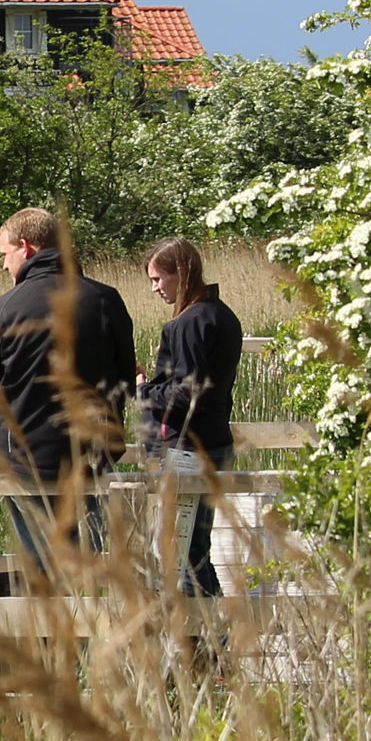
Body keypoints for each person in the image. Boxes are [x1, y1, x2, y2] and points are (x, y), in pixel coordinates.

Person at [0, 207, 138, 590]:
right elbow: (126, 382)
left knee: (41, 578)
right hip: (92, 462)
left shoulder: (3, 309)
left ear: (27, 247)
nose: (3, 265)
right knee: (93, 577)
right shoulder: (104, 300)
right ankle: (95, 647)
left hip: (27, 464)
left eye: (4, 254)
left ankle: (51, 647)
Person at [140, 236, 243, 597]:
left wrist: (144, 389)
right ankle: (211, 640)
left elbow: (185, 393)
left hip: (188, 449)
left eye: (158, 279)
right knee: (194, 549)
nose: (155, 289)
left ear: (181, 274)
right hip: (216, 443)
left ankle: (206, 643)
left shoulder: (186, 324)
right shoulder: (222, 315)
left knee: (181, 553)